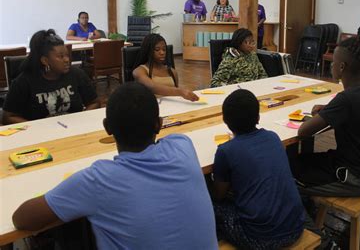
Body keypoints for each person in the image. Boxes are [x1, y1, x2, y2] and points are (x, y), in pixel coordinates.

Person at [12, 82, 218, 249]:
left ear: (107, 128)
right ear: (159, 124)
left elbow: (22, 219)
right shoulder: (182, 146)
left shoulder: (96, 181)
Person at [210, 89, 305, 249]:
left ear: (225, 120)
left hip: (259, 238)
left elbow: (219, 195)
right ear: (258, 117)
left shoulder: (226, 151)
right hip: (296, 226)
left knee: (211, 206)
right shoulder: (273, 137)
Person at [293, 36, 360, 196]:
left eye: (333, 62)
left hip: (354, 178)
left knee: (285, 175)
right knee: (297, 161)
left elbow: (303, 132)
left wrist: (328, 111)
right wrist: (329, 109)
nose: (331, 65)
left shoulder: (346, 99)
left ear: (341, 67)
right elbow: (355, 109)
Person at [2, 29, 99, 125]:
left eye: (67, 55)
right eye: (61, 56)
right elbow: (8, 117)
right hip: (39, 135)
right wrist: (34, 128)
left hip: (73, 130)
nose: (66, 60)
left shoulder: (77, 74)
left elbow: (94, 102)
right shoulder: (24, 82)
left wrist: (80, 120)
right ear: (45, 60)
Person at [133, 34, 199, 101]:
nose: (162, 53)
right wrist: (180, 92)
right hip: (153, 108)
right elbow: (152, 87)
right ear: (148, 51)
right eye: (157, 49)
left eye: (164, 49)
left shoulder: (172, 71)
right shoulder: (139, 71)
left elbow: (176, 94)